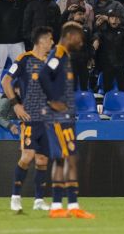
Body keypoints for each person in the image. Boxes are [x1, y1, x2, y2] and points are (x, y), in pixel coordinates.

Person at [38, 21, 95, 218]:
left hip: (65, 116)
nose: (81, 42)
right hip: (58, 117)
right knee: (67, 158)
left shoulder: (65, 56)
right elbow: (43, 75)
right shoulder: (59, 54)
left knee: (65, 159)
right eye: (79, 38)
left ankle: (63, 206)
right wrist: (53, 101)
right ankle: (66, 206)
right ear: (70, 36)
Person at [1, 26, 54, 213]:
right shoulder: (24, 59)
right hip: (30, 117)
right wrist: (15, 104)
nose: (52, 43)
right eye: (50, 39)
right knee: (27, 156)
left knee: (42, 161)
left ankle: (39, 201)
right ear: (41, 40)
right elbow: (6, 81)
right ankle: (15, 197)